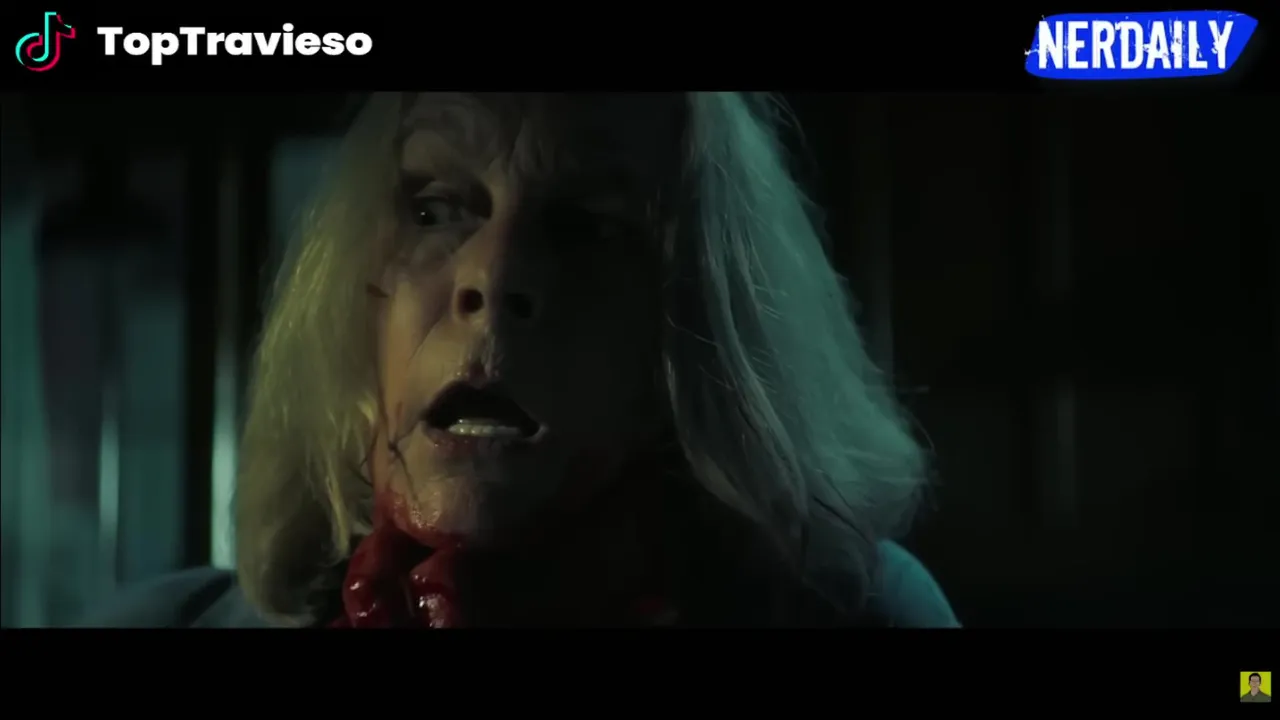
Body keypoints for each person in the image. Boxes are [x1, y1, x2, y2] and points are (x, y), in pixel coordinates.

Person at [86, 92, 959, 628]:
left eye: (586, 225)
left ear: (699, 331)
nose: (495, 278)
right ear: (357, 295)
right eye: (436, 210)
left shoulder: (860, 613)